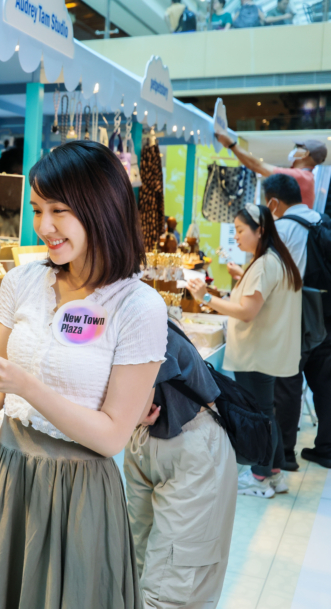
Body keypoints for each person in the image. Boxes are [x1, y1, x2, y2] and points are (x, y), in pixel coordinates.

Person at [0, 141, 167, 609]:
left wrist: (27, 386)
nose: (43, 226)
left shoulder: (138, 306)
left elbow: (113, 436)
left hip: (79, 492)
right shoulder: (24, 281)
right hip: (8, 472)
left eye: (59, 211)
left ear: (101, 209)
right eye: (37, 209)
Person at [188, 203, 303, 497]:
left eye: (240, 230)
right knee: (266, 412)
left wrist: (204, 297)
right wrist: (241, 277)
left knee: (260, 415)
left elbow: (247, 312)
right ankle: (273, 473)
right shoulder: (273, 260)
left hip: (257, 353)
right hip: (265, 352)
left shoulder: (264, 263)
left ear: (259, 231)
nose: (236, 236)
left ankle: (260, 477)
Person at [125, 317, 237, 608]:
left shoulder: (134, 313)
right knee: (146, 568)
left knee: (169, 582)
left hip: (183, 442)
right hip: (150, 440)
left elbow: (137, 403)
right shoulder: (117, 313)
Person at [260, 174, 331, 470]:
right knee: (325, 383)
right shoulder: (323, 221)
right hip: (326, 314)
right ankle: (326, 449)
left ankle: (285, 453)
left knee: (287, 382)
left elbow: (269, 279)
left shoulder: (281, 228)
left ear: (274, 202)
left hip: (296, 315)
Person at [216, 131, 324, 209]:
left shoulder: (301, 177)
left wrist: (231, 144)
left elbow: (257, 166)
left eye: (298, 147)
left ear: (306, 154)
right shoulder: (307, 177)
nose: (294, 150)